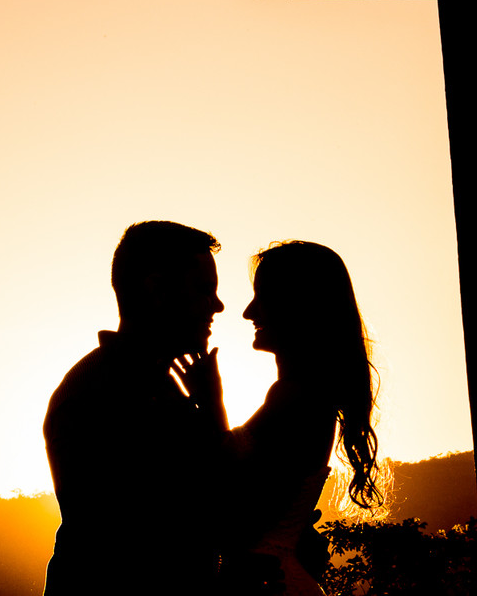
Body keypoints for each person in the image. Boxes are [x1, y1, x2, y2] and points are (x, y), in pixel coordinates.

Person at [176, 240, 384, 595]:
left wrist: (212, 405)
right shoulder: (303, 394)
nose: (248, 311)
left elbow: (237, 511)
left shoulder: (297, 396)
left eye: (263, 297)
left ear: (299, 306)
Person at [42, 220, 227, 596]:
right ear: (157, 290)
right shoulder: (100, 392)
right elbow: (172, 528)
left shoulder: (158, 386)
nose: (218, 306)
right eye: (204, 290)